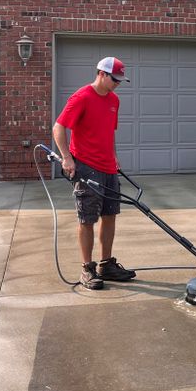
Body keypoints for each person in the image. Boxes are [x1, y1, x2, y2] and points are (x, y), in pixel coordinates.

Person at [52, 56, 136, 290]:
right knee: (87, 218)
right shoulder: (81, 97)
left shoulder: (114, 100)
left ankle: (106, 265)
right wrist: (67, 158)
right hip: (86, 166)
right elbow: (58, 128)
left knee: (110, 215)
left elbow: (109, 133)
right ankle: (87, 269)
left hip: (109, 167)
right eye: (114, 79)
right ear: (101, 73)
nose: (117, 83)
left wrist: (115, 157)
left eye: (120, 80)